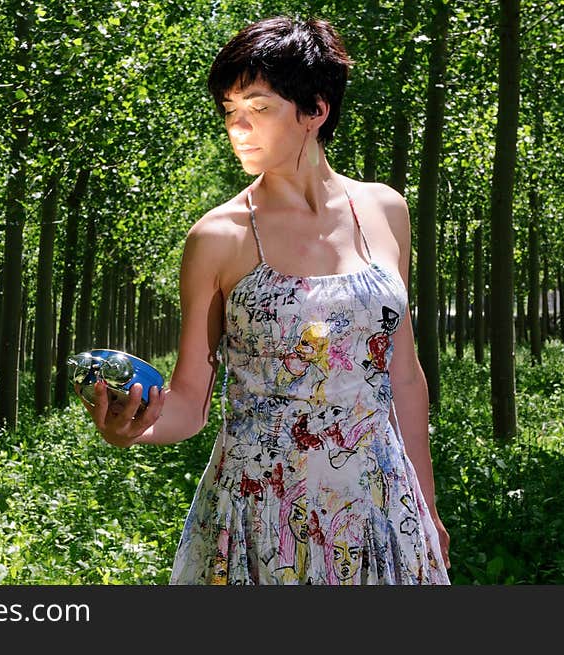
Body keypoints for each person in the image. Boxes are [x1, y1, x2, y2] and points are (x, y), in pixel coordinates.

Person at [78, 15, 451, 585]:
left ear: (315, 110)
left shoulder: (386, 211)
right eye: (230, 111)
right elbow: (189, 402)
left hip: (378, 506)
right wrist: (133, 427)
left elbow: (403, 375)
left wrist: (424, 505)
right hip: (262, 516)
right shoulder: (218, 238)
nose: (238, 127)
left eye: (258, 107)